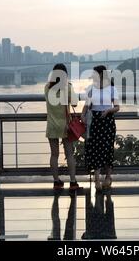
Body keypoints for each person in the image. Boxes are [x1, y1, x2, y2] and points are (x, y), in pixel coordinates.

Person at [81, 65, 120, 191]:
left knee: (108, 149)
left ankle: (108, 177)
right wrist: (82, 115)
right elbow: (87, 105)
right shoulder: (91, 88)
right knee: (95, 149)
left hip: (107, 121)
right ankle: (97, 179)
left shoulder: (112, 88)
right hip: (95, 121)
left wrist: (108, 110)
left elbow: (117, 107)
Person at [45, 63, 81, 191]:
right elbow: (75, 104)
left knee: (54, 155)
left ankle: (56, 181)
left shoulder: (47, 88)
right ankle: (72, 182)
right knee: (69, 154)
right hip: (66, 126)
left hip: (52, 125)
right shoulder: (67, 88)